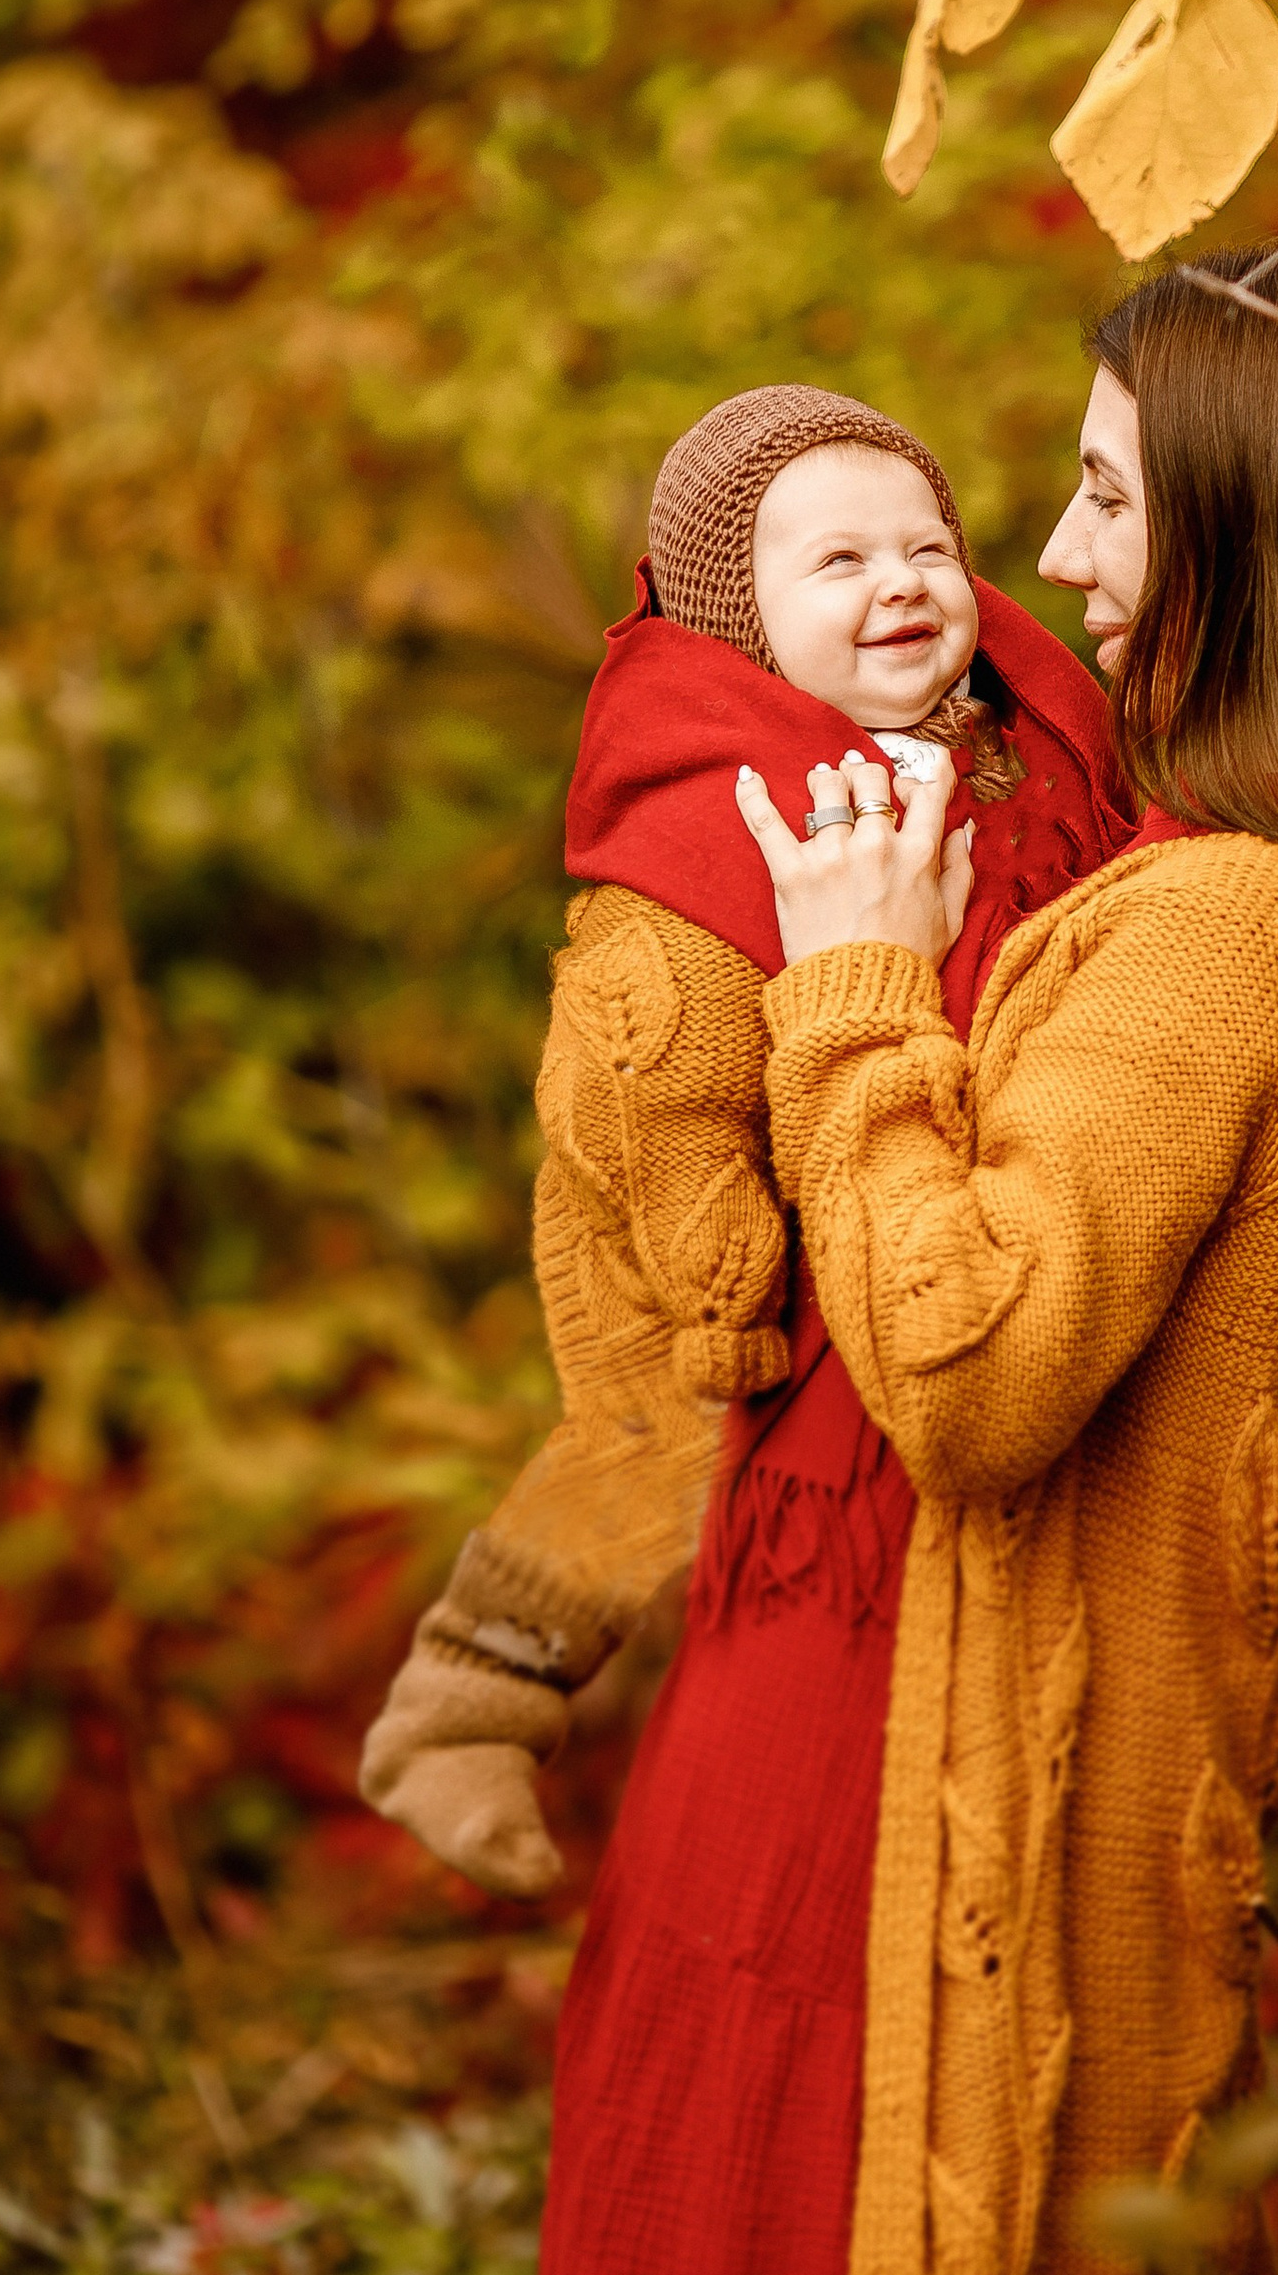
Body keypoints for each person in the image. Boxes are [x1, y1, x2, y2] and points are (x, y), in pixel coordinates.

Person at [522, 238, 1278, 2275]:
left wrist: (847, 982)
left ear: (1263, 526)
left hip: (958, 1843)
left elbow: (964, 1363)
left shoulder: (1224, 921)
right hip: (1021, 1810)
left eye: (1111, 498)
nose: (1051, 554)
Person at [358, 384, 1132, 1901]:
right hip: (690, 1222)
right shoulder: (706, 823)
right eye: (838, 564)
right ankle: (466, 1703)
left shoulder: (1014, 740)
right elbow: (652, 1069)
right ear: (737, 617)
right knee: (649, 1447)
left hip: (925, 1212)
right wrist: (717, 1273)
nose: (902, 581)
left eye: (926, 545)